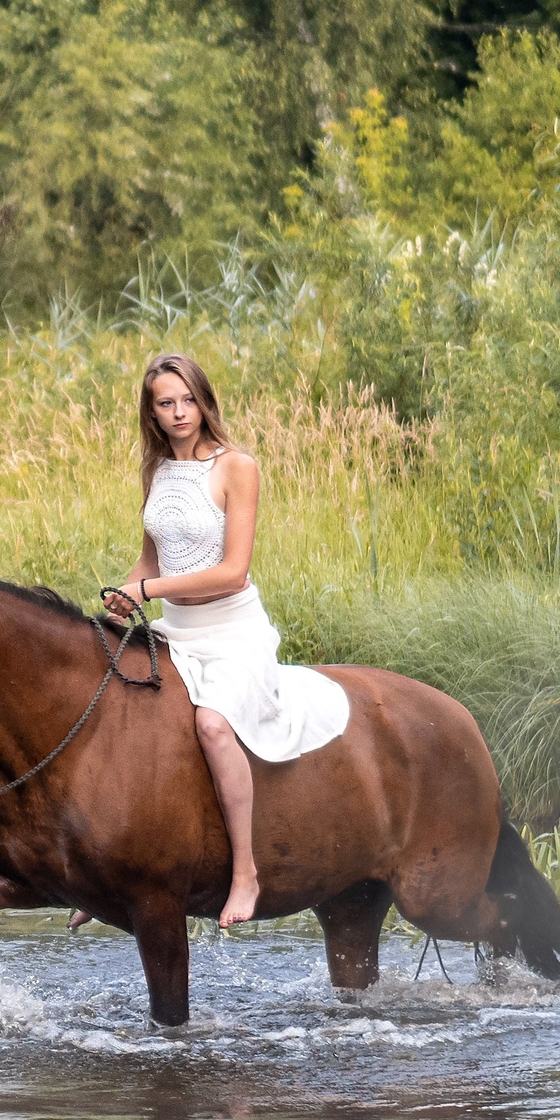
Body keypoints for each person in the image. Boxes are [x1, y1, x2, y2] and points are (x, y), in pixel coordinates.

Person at [99, 352, 350, 927]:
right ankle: (116, 863)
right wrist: (125, 594)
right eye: (166, 403)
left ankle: (245, 873)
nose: (179, 412)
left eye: (188, 399)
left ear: (204, 401)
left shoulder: (237, 466)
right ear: (152, 412)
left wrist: (150, 588)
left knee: (212, 725)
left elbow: (233, 570)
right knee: (114, 703)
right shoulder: (158, 471)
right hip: (176, 630)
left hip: (233, 632)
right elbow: (148, 560)